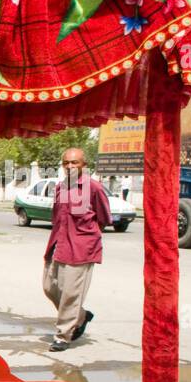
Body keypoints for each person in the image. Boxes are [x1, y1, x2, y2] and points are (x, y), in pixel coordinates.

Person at [43, 147, 111, 352]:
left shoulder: (94, 188)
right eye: (66, 163)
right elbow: (57, 218)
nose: (70, 166)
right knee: (49, 287)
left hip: (81, 248)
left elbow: (104, 218)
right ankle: (80, 316)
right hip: (59, 244)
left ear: (84, 165)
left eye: (75, 163)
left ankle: (63, 335)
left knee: (70, 294)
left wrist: (86, 238)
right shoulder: (60, 187)